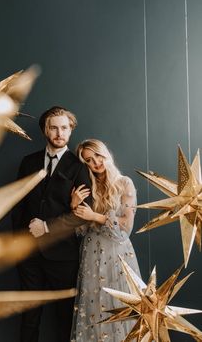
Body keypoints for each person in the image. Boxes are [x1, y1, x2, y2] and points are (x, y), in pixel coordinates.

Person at [12, 106, 92, 342]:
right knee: (29, 316)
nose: (59, 133)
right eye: (54, 128)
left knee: (64, 318)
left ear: (70, 130)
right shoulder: (28, 162)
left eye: (64, 128)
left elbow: (82, 214)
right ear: (45, 130)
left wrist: (47, 226)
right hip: (29, 254)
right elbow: (17, 205)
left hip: (63, 256)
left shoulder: (79, 168)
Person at [69, 139, 141, 342]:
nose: (96, 163)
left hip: (118, 254)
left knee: (121, 306)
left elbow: (125, 228)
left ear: (106, 153)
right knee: (93, 308)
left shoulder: (125, 183)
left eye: (98, 156)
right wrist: (74, 207)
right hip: (91, 252)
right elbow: (79, 231)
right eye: (89, 160)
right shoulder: (86, 187)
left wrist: (96, 217)